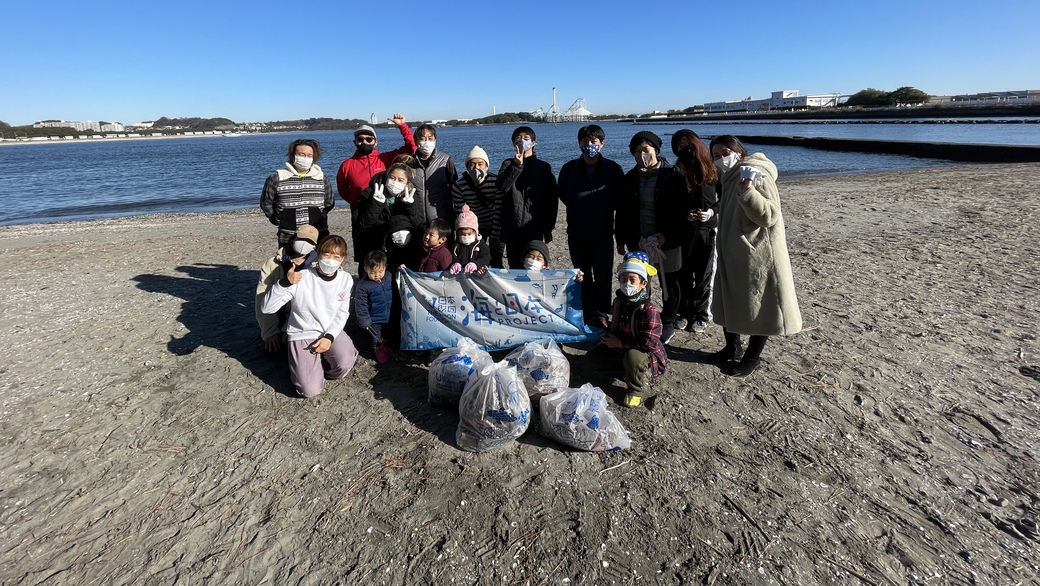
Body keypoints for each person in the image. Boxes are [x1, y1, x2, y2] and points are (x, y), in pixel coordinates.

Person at [707, 135, 802, 377]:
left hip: (757, 254)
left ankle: (752, 357)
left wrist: (748, 192)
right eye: (715, 155)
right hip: (732, 253)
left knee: (762, 306)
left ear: (738, 150)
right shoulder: (728, 176)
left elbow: (769, 215)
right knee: (731, 301)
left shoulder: (756, 172)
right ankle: (732, 347)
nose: (720, 158)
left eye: (724, 152)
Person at [260, 234, 360, 398]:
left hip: (328, 330)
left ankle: (317, 365)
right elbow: (266, 308)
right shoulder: (301, 277)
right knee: (309, 391)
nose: (330, 260)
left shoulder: (346, 279)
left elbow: (342, 313)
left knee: (344, 365)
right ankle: (304, 367)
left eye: (336, 256)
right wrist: (285, 283)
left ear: (343, 258)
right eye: (326, 254)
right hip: (302, 332)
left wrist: (329, 337)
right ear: (318, 254)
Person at [616, 130, 686, 344]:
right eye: (636, 151)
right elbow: (623, 211)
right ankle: (641, 317)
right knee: (641, 282)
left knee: (670, 283)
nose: (641, 154)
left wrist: (668, 235)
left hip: (667, 240)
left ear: (656, 149)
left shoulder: (673, 175)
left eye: (645, 149)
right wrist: (620, 238)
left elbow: (682, 211)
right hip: (639, 240)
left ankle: (668, 321)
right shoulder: (630, 177)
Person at [557, 124, 625, 327]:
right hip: (576, 232)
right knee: (581, 274)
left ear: (601, 144)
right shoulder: (569, 168)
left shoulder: (613, 169)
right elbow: (564, 194)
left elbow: (620, 199)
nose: (589, 145)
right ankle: (585, 310)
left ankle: (602, 312)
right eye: (585, 142)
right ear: (579, 144)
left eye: (593, 142)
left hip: (603, 232)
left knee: (603, 275)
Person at [587, 254, 666, 407]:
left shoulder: (649, 310)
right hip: (621, 346)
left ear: (643, 283)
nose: (627, 283)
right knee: (593, 359)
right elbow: (616, 328)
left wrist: (620, 343)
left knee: (633, 358)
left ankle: (636, 388)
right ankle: (628, 373)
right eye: (623, 279)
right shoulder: (619, 302)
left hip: (642, 352)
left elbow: (649, 344)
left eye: (632, 280)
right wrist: (607, 333)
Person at [668, 129, 721, 335]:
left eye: (687, 144)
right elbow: (672, 203)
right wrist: (685, 215)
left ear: (697, 143)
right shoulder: (677, 172)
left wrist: (712, 212)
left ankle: (701, 314)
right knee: (683, 274)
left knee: (704, 275)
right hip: (685, 231)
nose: (685, 149)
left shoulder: (714, 169)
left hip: (707, 231)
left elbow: (723, 198)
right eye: (679, 147)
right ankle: (684, 312)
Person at [496, 126, 558, 269]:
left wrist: (549, 227)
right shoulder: (507, 164)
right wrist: (516, 166)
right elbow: (501, 186)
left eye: (526, 138)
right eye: (518, 138)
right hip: (512, 227)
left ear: (534, 143)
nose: (522, 141)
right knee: (515, 266)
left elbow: (551, 199)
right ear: (513, 144)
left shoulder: (544, 167)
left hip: (535, 226)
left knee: (533, 266)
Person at [255, 225, 320, 353]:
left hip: (302, 321)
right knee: (272, 352)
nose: (304, 244)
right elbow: (261, 297)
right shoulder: (272, 264)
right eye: (301, 239)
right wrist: (270, 332)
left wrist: (287, 330)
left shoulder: (317, 267)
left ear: (314, 247)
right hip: (277, 316)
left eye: (310, 241)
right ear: (293, 239)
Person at [260, 139, 335, 247]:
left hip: (318, 234)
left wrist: (317, 214)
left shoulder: (322, 178)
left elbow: (329, 203)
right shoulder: (277, 177)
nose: (306, 158)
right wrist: (280, 219)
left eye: (309, 155)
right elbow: (266, 202)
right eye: (302, 154)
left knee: (316, 262)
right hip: (288, 236)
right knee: (288, 263)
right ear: (293, 155)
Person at [353, 158, 422, 273]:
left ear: (407, 183)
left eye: (401, 180)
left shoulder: (411, 195)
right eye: (392, 178)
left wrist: (411, 206)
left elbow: (418, 223)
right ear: (386, 176)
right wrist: (376, 203)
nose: (395, 182)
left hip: (399, 250)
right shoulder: (369, 193)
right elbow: (362, 223)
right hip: (374, 248)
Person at [335, 115, 417, 208]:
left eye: (369, 139)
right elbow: (343, 191)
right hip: (360, 215)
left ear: (376, 142)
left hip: (385, 212)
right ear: (355, 142)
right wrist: (356, 203)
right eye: (360, 139)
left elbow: (412, 149)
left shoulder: (386, 158)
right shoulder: (346, 165)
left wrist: (402, 125)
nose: (364, 142)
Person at [452, 146, 505, 268]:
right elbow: (461, 213)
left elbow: (499, 209)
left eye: (480, 164)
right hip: (473, 226)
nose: (476, 168)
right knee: (473, 256)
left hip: (493, 223)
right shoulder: (459, 185)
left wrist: (495, 235)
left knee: (496, 258)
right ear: (467, 166)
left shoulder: (495, 182)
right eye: (472, 164)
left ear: (486, 166)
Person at [410, 124, 458, 223]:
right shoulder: (409, 163)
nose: (426, 142)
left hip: (440, 219)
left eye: (430, 138)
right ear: (416, 141)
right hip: (416, 220)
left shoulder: (446, 160)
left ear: (435, 140)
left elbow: (455, 187)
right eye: (422, 139)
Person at [354, 249, 393, 364]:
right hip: (374, 317)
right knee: (376, 336)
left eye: (380, 271)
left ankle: (385, 345)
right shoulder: (363, 285)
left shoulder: (389, 277)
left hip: (389, 313)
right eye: (373, 272)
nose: (377, 275)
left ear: (385, 267)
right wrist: (364, 321)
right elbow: (361, 304)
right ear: (365, 269)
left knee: (386, 332)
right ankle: (378, 350)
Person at [448, 204, 491, 275]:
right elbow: (451, 256)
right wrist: (455, 263)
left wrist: (476, 264)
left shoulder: (481, 246)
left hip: (476, 278)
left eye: (469, 234)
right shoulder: (455, 246)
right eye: (462, 234)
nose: (466, 237)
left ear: (475, 232)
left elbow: (486, 257)